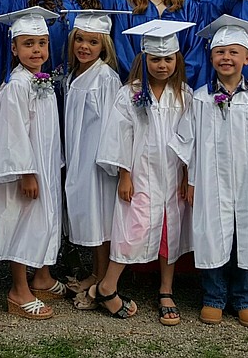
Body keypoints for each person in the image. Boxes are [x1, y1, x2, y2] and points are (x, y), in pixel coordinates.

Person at [170, 15, 248, 328]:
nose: (226, 57)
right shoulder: (200, 99)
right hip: (212, 182)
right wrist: (191, 179)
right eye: (220, 52)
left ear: (247, 58)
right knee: (213, 235)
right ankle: (213, 296)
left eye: (233, 52)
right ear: (211, 57)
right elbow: (188, 144)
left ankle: (244, 298)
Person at [90, 20, 194, 326]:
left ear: (177, 60)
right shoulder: (130, 94)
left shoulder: (184, 95)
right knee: (131, 228)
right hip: (139, 175)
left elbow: (190, 140)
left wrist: (189, 178)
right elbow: (118, 135)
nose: (162, 65)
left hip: (173, 177)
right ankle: (108, 285)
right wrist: (124, 173)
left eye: (168, 59)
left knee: (169, 232)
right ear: (144, 60)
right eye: (155, 59)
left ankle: (166, 289)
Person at [0, 7, 66, 320]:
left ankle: (41, 276)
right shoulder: (16, 85)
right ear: (14, 48)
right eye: (28, 44)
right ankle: (19, 290)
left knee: (42, 220)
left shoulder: (38, 80)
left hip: (43, 167)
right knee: (22, 223)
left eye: (41, 43)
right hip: (26, 172)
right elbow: (12, 134)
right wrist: (26, 173)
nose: (36, 50)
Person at [60, 10, 124, 301]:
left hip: (98, 159)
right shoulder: (75, 75)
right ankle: (96, 272)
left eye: (93, 42)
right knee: (92, 218)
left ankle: (101, 275)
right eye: (80, 40)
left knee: (102, 221)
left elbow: (115, 123)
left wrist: (111, 161)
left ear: (104, 47)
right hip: (79, 156)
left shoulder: (106, 77)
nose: (85, 46)